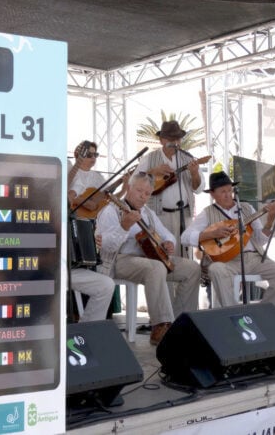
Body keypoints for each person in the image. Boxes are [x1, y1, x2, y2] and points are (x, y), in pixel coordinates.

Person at [96, 172, 201, 346]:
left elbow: (165, 233)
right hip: (119, 260)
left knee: (192, 268)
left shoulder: (147, 212)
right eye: (139, 191)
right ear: (129, 188)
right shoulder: (111, 210)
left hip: (150, 259)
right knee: (156, 267)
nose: (143, 196)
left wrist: (169, 242)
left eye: (147, 193)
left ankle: (180, 322)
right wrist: (124, 225)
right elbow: (106, 246)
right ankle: (160, 325)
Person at [181, 171, 275, 308]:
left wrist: (270, 221)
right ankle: (233, 312)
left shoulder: (246, 208)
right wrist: (212, 234)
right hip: (227, 261)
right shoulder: (207, 213)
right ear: (212, 194)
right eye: (223, 191)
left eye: (229, 190)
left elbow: (260, 240)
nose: (228, 195)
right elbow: (184, 238)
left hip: (254, 258)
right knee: (216, 269)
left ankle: (264, 312)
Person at [136, 120, 204, 259]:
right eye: (171, 139)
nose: (175, 142)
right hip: (159, 215)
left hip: (184, 214)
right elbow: (135, 182)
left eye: (178, 139)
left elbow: (198, 189)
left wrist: (195, 173)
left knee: (184, 254)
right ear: (161, 140)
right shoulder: (149, 158)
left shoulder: (188, 158)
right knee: (163, 252)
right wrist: (153, 172)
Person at [67, 140, 116, 322]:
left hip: (90, 224)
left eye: (95, 154)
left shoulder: (97, 176)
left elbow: (103, 199)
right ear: (77, 153)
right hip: (74, 219)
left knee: (92, 267)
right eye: (89, 154)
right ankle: (71, 314)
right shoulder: (69, 167)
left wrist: (72, 195)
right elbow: (75, 188)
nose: (93, 158)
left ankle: (90, 325)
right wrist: (78, 199)